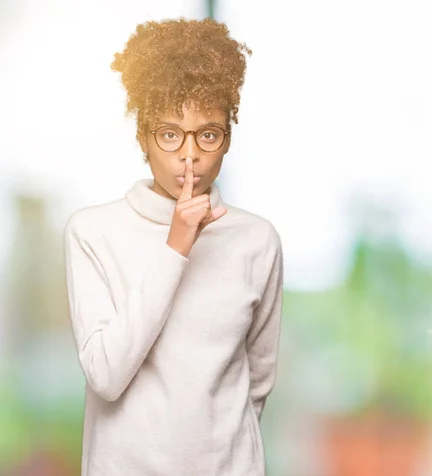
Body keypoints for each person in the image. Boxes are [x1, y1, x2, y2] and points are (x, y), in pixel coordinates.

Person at [63, 18, 283, 476]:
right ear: (142, 138)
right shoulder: (92, 233)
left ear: (227, 139)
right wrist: (176, 246)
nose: (189, 155)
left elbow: (255, 385)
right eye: (169, 134)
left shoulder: (257, 241)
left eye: (208, 134)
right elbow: (105, 375)